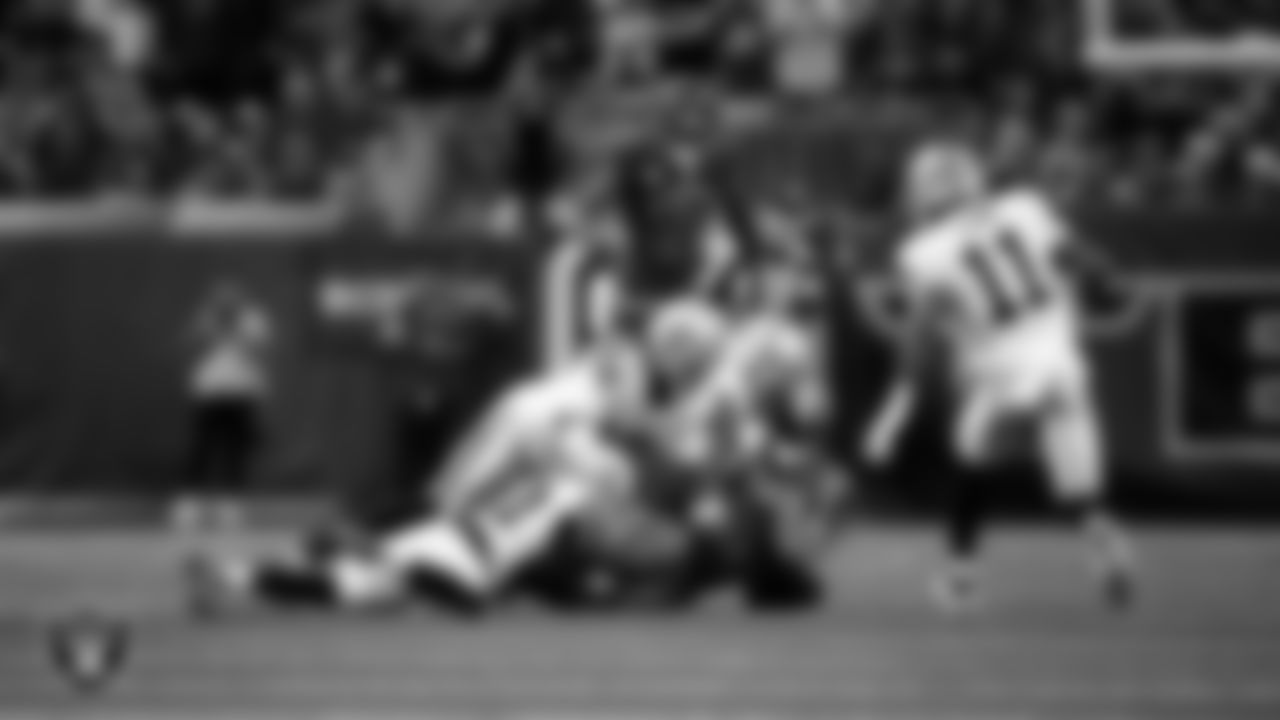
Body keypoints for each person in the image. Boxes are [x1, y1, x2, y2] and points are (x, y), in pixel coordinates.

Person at [183, 301, 729, 615]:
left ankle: (310, 563)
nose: (699, 370)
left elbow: (638, 428)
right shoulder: (631, 363)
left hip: (552, 444)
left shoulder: (648, 374)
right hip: (537, 430)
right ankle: (328, 547)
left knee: (466, 527)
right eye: (698, 356)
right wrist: (667, 442)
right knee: (444, 509)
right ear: (678, 345)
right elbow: (628, 413)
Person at [862, 141, 1138, 613]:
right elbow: (1084, 261)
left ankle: (961, 575)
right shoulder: (1024, 207)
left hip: (1004, 375)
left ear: (925, 193)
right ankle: (1100, 534)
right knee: (1077, 487)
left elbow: (921, 342)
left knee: (972, 459)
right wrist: (1108, 278)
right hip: (1062, 365)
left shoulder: (922, 253)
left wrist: (893, 413)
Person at [176, 281, 273, 533]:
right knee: (201, 449)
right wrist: (210, 328)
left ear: (241, 300)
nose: (226, 302)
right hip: (209, 393)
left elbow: (261, 350)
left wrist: (237, 330)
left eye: (232, 298)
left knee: (236, 450)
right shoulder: (205, 318)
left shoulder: (253, 321)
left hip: (241, 393)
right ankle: (190, 506)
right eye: (221, 298)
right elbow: (189, 345)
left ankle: (231, 507)